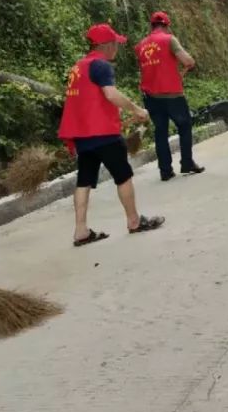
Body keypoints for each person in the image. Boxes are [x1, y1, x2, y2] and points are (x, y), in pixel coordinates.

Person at [58, 23, 165, 247]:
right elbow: (111, 94)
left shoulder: (78, 67)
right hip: (104, 134)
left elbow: (87, 100)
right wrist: (137, 110)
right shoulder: (101, 65)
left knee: (84, 180)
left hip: (82, 135)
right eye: (115, 43)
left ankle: (80, 230)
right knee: (123, 175)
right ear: (106, 45)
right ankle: (134, 221)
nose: (117, 47)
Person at [135, 11, 203, 182]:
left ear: (152, 25)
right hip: (172, 94)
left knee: (160, 132)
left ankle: (165, 171)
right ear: (166, 25)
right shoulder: (169, 39)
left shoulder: (140, 45)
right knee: (184, 126)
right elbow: (188, 61)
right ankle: (186, 162)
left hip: (150, 95)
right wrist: (184, 70)